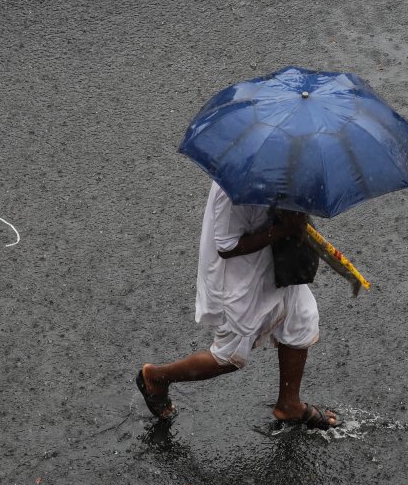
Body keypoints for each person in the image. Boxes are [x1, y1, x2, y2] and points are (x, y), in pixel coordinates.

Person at [136, 181, 339, 429]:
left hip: (276, 263)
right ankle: (156, 377)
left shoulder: (286, 168)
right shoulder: (231, 189)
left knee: (300, 320)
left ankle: (289, 405)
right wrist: (284, 229)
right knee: (230, 355)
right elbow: (227, 245)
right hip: (241, 277)